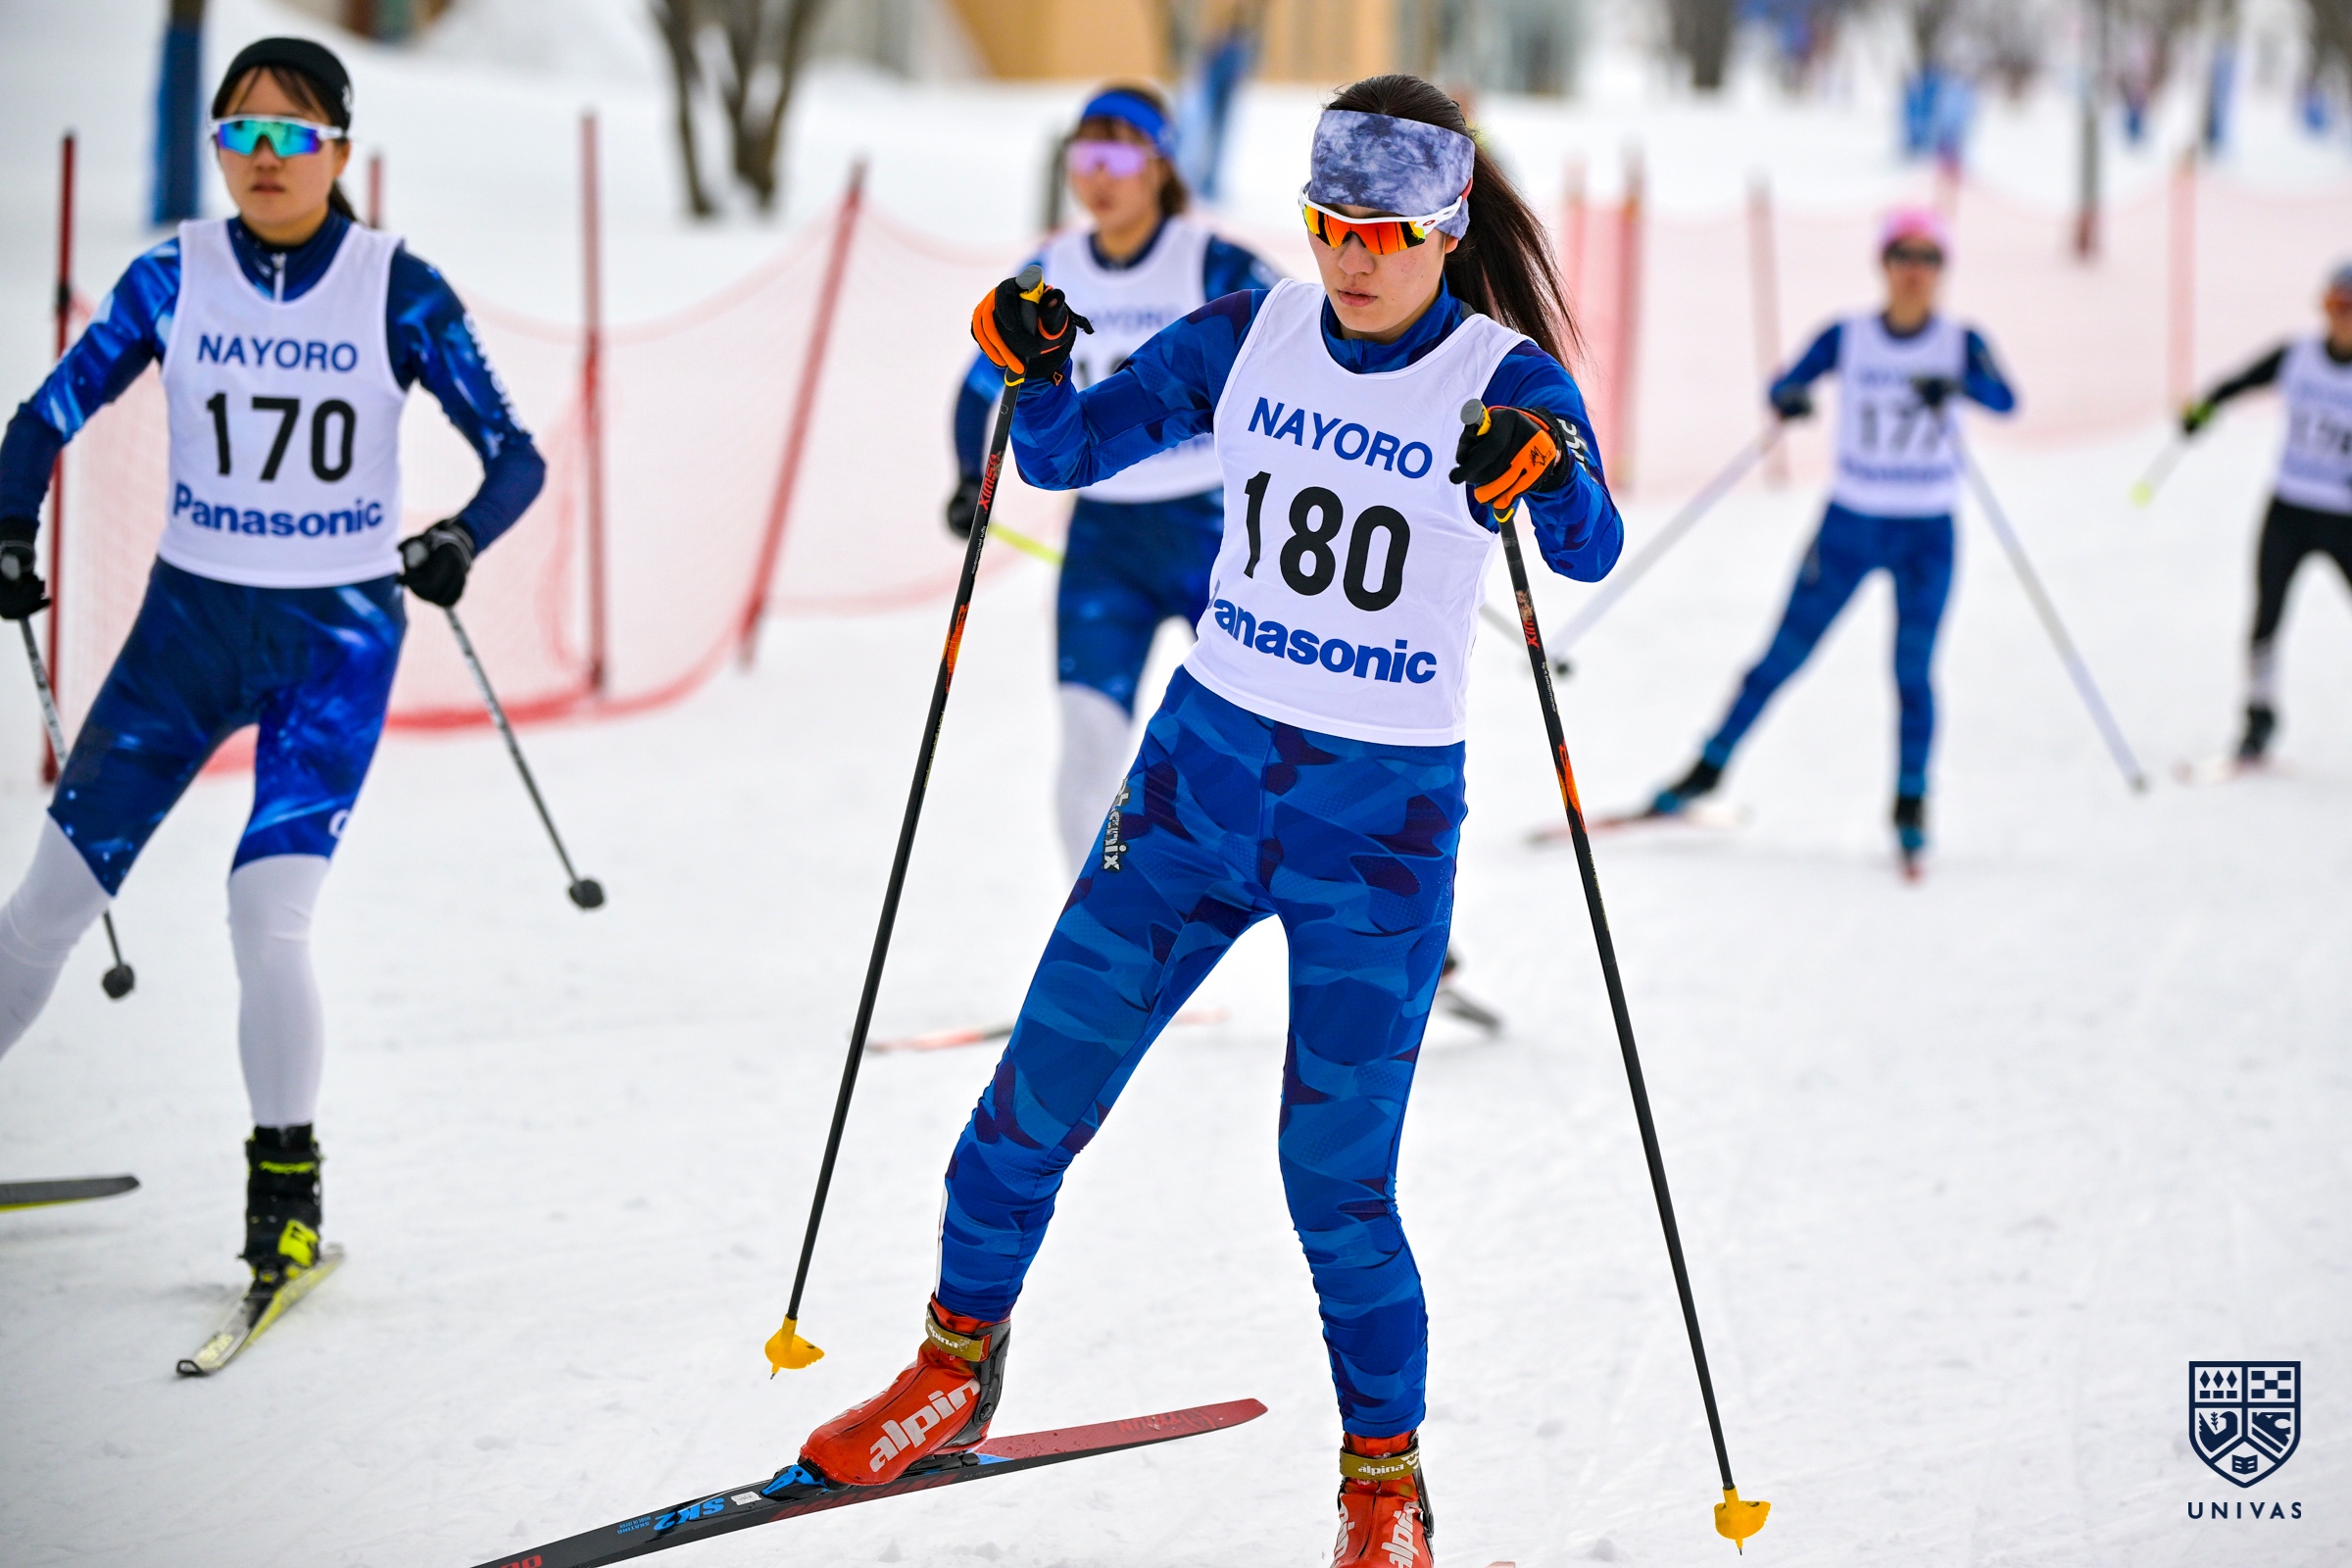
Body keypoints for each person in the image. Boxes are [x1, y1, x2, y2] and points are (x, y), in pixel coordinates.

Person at [801, 75, 1622, 1568]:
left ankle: (1384, 1487)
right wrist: (1030, 367)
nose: (1352, 255)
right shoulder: (1249, 332)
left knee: (1335, 1184)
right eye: (1328, 222)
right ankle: (952, 1370)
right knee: (1028, 1102)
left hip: (1377, 830)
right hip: (1198, 783)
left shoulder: (1501, 378)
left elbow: (1587, 547)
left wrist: (1546, 468)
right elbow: (1065, 454)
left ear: (1447, 229)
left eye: (1385, 231)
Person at [0, 38, 544, 1298]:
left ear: (341, 150)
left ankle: (284, 1198)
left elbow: (515, 456)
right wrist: (10, 524)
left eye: (291, 134)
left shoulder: (396, 288)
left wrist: (460, 536)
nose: (263, 157)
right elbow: (43, 418)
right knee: (49, 903)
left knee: (265, 913)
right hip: (186, 634)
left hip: (333, 644)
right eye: (238, 132)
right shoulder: (172, 276)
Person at [947, 84, 1280, 874]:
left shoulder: (1212, 261)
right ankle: (1091, 928)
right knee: (1089, 746)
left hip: (1214, 532)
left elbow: (1298, 357)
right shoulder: (1053, 271)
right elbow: (979, 385)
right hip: (1105, 542)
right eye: (1086, 155)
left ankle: (1305, 901)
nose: (1099, 175)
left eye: (1121, 156)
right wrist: (967, 478)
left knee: (1259, 742)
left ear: (1161, 165)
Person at [1644, 208, 2015, 868]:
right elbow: (1785, 382)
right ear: (1884, 264)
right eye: (1903, 255)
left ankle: (1910, 801)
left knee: (1912, 669)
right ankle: (1707, 768)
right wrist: (1790, 399)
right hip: (1852, 523)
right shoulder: (1849, 336)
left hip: (1926, 530)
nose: (1915, 271)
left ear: (1942, 270)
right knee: (1783, 653)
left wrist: (1959, 385)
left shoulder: (1961, 342)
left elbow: (2006, 400)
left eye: (1929, 258)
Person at [2177, 261, 2352, 764]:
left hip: (2344, 517)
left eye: (2349, 308)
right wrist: (2202, 411)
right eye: (2333, 305)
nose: (2340, 317)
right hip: (2290, 510)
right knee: (2266, 616)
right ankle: (2258, 718)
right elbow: (2237, 382)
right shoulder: (2298, 357)